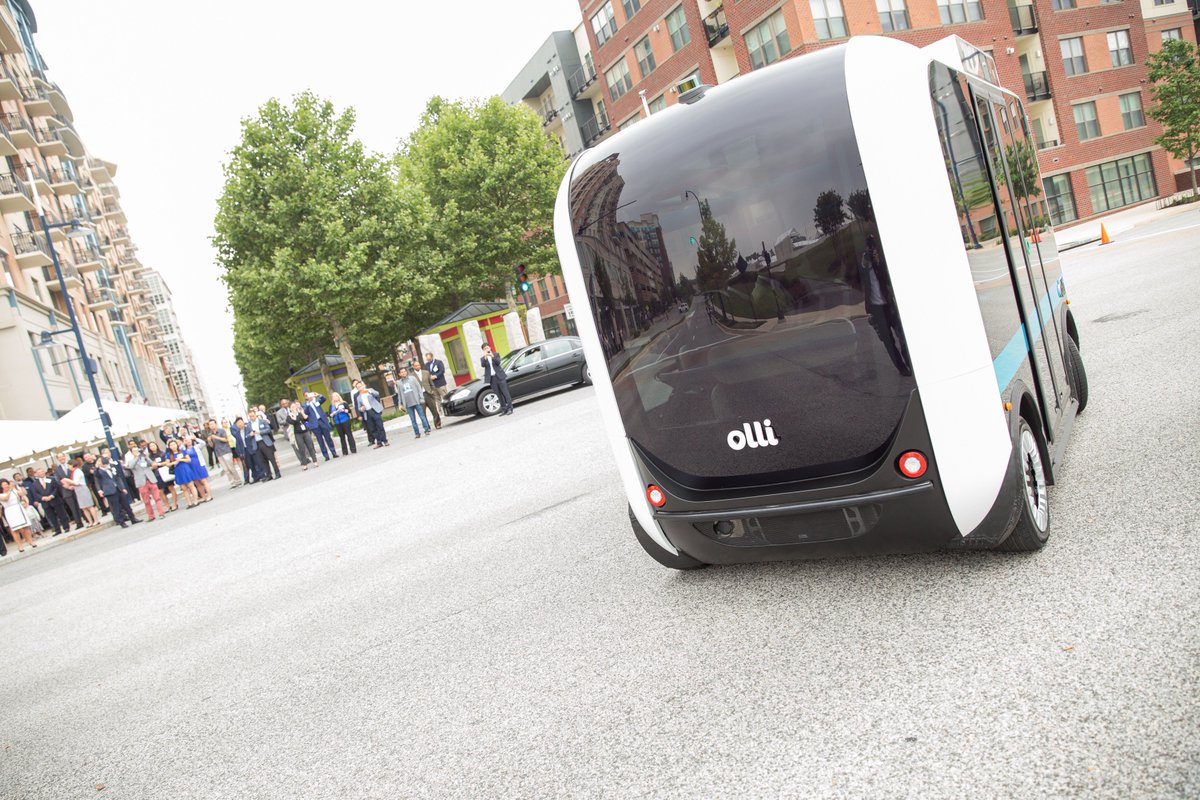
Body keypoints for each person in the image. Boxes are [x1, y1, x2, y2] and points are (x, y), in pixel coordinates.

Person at [125, 442, 167, 521]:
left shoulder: (144, 457)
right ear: (132, 453)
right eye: (134, 451)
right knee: (146, 500)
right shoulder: (131, 461)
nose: (137, 452)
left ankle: (161, 513)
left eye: (137, 451)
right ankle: (151, 516)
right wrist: (137, 457)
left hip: (150, 479)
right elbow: (131, 466)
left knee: (157, 497)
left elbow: (152, 464)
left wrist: (145, 457)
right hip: (141, 482)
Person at [95, 454, 139, 528]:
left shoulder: (111, 467)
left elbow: (117, 477)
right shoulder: (98, 471)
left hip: (118, 488)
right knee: (116, 508)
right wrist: (100, 490)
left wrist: (123, 487)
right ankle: (121, 522)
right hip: (109, 490)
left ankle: (133, 518)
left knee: (126, 505)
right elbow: (96, 477)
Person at [206, 419, 243, 489]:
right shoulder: (210, 434)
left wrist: (216, 437)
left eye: (212, 424)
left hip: (226, 451)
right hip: (218, 453)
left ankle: (238, 480)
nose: (211, 426)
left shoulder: (221, 431)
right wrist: (209, 441)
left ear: (216, 424)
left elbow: (226, 440)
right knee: (226, 469)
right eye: (210, 424)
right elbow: (212, 446)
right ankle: (232, 482)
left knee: (231, 467)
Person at [395, 366, 431, 439]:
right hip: (408, 404)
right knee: (413, 420)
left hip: (417, 401)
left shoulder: (412, 379)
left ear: (406, 372)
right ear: (399, 374)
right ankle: (417, 433)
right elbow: (399, 394)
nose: (403, 373)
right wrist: (400, 404)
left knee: (422, 416)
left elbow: (419, 388)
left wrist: (421, 398)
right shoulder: (399, 383)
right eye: (402, 372)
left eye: (404, 371)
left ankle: (426, 430)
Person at [52, 452, 85, 531]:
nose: (61, 458)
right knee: (73, 508)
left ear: (65, 456)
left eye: (62, 456)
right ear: (57, 459)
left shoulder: (71, 465)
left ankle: (88, 519)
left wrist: (73, 485)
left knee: (82, 505)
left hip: (76, 487)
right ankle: (79, 523)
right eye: (59, 457)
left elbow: (76, 475)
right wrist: (66, 486)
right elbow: (58, 480)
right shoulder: (57, 469)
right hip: (66, 490)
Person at [31, 467, 68, 536]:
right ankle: (57, 530)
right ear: (36, 474)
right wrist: (42, 498)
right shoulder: (34, 484)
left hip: (55, 499)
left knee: (61, 514)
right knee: (51, 517)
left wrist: (52, 495)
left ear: (44, 472)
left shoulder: (52, 479)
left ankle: (66, 527)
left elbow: (56, 488)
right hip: (45, 502)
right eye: (39, 473)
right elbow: (35, 493)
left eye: (42, 472)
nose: (41, 473)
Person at [1, 479, 35, 552]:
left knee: (25, 527)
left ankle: (30, 541)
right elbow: (5, 499)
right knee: (15, 529)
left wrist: (16, 487)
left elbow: (23, 494)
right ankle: (20, 546)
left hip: (18, 508)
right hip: (9, 511)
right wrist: (9, 491)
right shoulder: (1, 494)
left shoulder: (14, 491)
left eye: (6, 484)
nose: (6, 486)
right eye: (4, 485)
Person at [303, 392, 338, 461]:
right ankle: (326, 456)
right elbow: (306, 412)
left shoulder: (316, 400)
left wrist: (318, 395)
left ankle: (334, 452)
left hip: (322, 421)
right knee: (320, 440)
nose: (308, 396)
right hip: (314, 424)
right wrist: (308, 403)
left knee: (328, 438)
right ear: (305, 397)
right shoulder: (305, 405)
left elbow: (324, 399)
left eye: (309, 394)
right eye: (306, 395)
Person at [481, 344, 514, 416]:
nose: (486, 349)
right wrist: (486, 356)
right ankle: (504, 409)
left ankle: (510, 408)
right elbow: (483, 365)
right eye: (484, 349)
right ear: (483, 350)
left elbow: (498, 362)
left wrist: (492, 356)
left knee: (505, 393)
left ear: (490, 347)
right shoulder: (483, 358)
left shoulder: (496, 354)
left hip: (500, 377)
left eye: (487, 348)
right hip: (492, 379)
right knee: (498, 395)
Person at [354, 380, 389, 448]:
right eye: (358, 387)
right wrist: (361, 408)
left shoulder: (370, 390)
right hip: (367, 412)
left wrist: (368, 391)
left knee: (380, 426)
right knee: (372, 428)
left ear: (363, 385)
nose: (360, 388)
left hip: (374, 410)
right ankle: (379, 442)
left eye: (360, 386)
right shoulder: (358, 397)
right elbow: (358, 407)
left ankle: (385, 440)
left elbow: (377, 394)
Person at [146, 440, 179, 511]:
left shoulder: (162, 453)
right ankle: (167, 505)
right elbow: (149, 466)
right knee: (160, 491)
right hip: (157, 474)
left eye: (153, 445)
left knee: (171, 487)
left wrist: (159, 464)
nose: (152, 447)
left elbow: (167, 462)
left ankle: (174, 503)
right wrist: (153, 466)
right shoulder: (149, 457)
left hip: (165, 472)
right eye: (151, 446)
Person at [249, 409, 282, 480]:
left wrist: (260, 432)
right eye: (250, 416)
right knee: (263, 461)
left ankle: (277, 473)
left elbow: (268, 429)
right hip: (256, 443)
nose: (252, 418)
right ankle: (268, 475)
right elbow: (247, 435)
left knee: (271, 458)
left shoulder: (262, 421)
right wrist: (250, 434)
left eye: (253, 416)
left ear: (255, 415)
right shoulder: (249, 424)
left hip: (264, 442)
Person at [412, 359, 443, 430]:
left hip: (428, 394)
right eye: (416, 366)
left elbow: (431, 383)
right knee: (423, 413)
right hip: (419, 396)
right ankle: (427, 427)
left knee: (434, 410)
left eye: (418, 365)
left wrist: (432, 391)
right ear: (413, 367)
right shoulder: (411, 376)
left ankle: (437, 424)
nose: (418, 366)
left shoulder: (426, 373)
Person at [70, 457, 101, 528]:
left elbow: (76, 482)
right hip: (77, 490)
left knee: (89, 506)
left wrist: (67, 481)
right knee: (83, 507)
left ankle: (96, 520)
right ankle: (90, 522)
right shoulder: (73, 472)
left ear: (72, 465)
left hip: (82, 488)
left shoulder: (77, 471)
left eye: (69, 465)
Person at [168, 438, 199, 507]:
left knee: (191, 485)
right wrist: (173, 462)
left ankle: (196, 501)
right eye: (171, 445)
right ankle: (189, 503)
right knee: (184, 488)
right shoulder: (169, 455)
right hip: (178, 471)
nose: (173, 446)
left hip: (185, 469)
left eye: (174, 444)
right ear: (169, 447)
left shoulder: (182, 451)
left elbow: (189, 459)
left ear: (177, 445)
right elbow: (167, 464)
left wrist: (181, 460)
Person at [181, 436, 213, 503]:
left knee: (203, 481)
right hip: (191, 467)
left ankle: (209, 495)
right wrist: (183, 443)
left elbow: (203, 443)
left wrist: (195, 438)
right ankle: (203, 497)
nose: (188, 442)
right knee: (197, 483)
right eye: (186, 440)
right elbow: (180, 448)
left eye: (189, 440)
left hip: (199, 465)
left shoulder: (196, 447)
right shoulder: (184, 450)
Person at [288, 403, 319, 469]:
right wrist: (294, 416)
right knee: (301, 449)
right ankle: (304, 464)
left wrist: (302, 413)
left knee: (310, 447)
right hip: (298, 433)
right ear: (290, 409)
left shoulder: (300, 413)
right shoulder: (289, 416)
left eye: (295, 406)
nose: (294, 408)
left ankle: (315, 461)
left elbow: (306, 419)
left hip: (305, 432)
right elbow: (292, 422)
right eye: (292, 407)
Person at [424, 351, 449, 429]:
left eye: (429, 358)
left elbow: (442, 371)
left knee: (444, 396)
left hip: (440, 383)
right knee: (437, 399)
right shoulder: (426, 365)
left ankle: (448, 409)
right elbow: (426, 374)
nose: (428, 360)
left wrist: (435, 376)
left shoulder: (438, 362)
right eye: (427, 359)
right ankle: (441, 411)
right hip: (433, 385)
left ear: (432, 357)